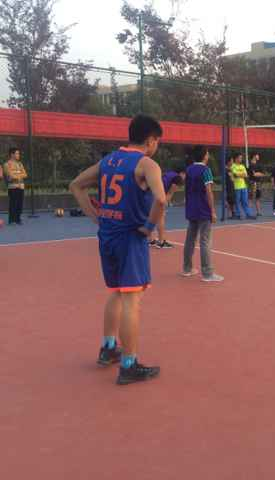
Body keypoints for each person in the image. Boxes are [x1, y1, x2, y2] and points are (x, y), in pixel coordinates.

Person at [69, 114, 166, 385]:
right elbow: (161, 199)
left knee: (116, 292)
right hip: (130, 238)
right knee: (132, 299)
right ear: (151, 140)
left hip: (108, 236)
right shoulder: (146, 164)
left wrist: (96, 217)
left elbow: (76, 185)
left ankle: (109, 347)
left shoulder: (108, 161)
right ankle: (129, 364)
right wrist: (149, 227)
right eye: (157, 141)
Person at [182, 146, 224, 282]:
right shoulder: (206, 170)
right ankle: (207, 273)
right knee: (205, 241)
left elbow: (187, 189)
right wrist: (213, 211)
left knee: (190, 239)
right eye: (207, 153)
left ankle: (187, 268)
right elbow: (209, 191)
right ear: (204, 155)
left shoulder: (188, 169)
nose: (208, 155)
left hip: (191, 208)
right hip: (203, 209)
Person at [149, 167, 186, 249]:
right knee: (161, 217)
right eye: (185, 175)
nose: (185, 178)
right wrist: (163, 206)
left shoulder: (169, 173)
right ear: (182, 173)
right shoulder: (177, 179)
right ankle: (161, 242)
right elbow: (169, 194)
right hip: (157, 195)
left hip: (150, 192)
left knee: (151, 217)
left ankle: (150, 240)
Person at [3, 148, 28, 225]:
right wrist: (19, 175)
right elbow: (10, 175)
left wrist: (16, 175)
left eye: (18, 153)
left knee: (20, 204)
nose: (18, 155)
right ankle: (11, 220)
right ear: (12, 154)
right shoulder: (7, 164)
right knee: (13, 204)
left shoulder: (20, 164)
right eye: (17, 153)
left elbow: (25, 174)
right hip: (13, 187)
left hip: (21, 187)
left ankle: (18, 219)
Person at [230, 153, 255, 220]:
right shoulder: (233, 166)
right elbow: (235, 175)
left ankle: (248, 214)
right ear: (236, 158)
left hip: (243, 186)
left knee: (245, 201)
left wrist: (239, 174)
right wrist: (241, 174)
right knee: (237, 201)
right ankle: (238, 215)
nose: (241, 159)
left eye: (241, 158)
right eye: (240, 158)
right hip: (236, 187)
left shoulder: (242, 166)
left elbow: (246, 175)